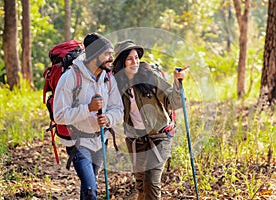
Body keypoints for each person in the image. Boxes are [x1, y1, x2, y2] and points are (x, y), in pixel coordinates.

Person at [112, 40, 188, 200]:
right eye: (130, 59)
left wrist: (178, 83)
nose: (135, 62)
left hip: (160, 137)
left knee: (151, 182)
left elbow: (175, 103)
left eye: (136, 58)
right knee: (141, 186)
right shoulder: (116, 84)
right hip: (135, 141)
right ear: (121, 63)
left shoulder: (149, 76)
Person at [53, 33, 123, 200]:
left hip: (101, 140)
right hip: (78, 141)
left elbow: (118, 108)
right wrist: (88, 109)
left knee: (89, 186)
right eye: (107, 54)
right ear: (94, 55)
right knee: (91, 189)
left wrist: (109, 119)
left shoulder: (108, 78)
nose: (111, 58)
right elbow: (59, 116)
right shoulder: (70, 77)